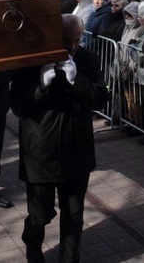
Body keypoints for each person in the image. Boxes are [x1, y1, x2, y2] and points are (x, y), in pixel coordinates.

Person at [10, 14, 109, 262]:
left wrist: (78, 81)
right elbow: (19, 107)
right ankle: (33, 247)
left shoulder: (87, 59)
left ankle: (70, 258)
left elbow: (99, 98)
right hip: (40, 151)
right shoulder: (31, 61)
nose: (73, 47)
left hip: (76, 147)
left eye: (77, 41)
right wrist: (41, 85)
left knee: (73, 213)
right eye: (67, 41)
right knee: (39, 214)